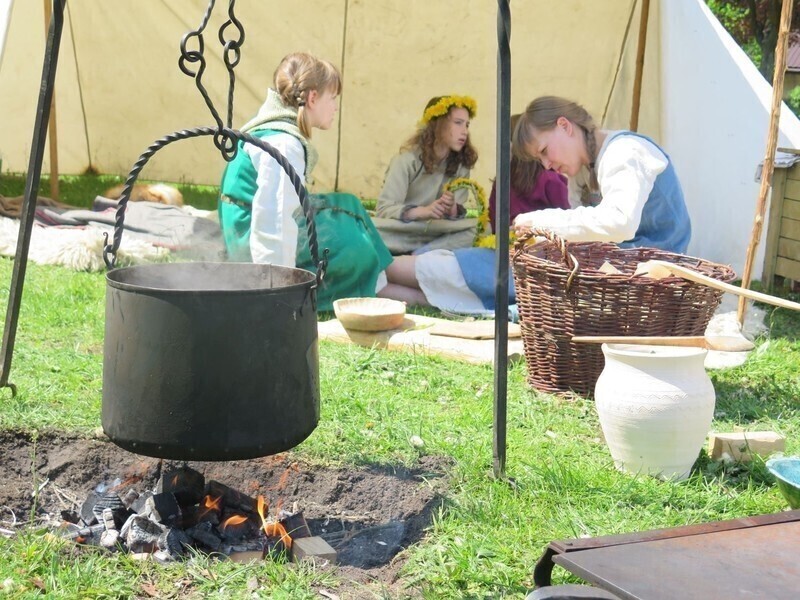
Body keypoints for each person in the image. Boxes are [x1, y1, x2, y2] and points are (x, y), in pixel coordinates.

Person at [218, 52, 424, 309]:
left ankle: (397, 279)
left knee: (347, 204)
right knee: (355, 244)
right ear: (313, 98)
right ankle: (407, 289)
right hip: (250, 247)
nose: (335, 106)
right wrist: (277, 292)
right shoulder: (284, 144)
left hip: (245, 229)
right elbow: (274, 220)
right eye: (332, 98)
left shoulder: (277, 127)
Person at [511, 96, 691, 253]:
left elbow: (620, 223)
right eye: (539, 159)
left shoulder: (625, 151)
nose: (546, 165)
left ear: (564, 126)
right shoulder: (579, 173)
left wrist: (543, 221)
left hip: (662, 276)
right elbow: (584, 238)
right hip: (621, 273)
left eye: (544, 150)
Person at [373, 95, 479, 254]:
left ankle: (419, 255)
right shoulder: (406, 160)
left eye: (467, 125)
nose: (464, 131)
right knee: (371, 230)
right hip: (403, 230)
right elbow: (384, 209)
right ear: (438, 124)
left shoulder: (461, 165)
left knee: (480, 229)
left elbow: (454, 218)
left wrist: (451, 208)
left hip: (434, 232)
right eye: (458, 123)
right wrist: (424, 211)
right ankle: (428, 253)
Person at [487, 113, 569, 232]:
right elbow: (567, 223)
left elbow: (495, 225)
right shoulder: (551, 179)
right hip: (542, 246)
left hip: (508, 247)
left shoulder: (501, 182)